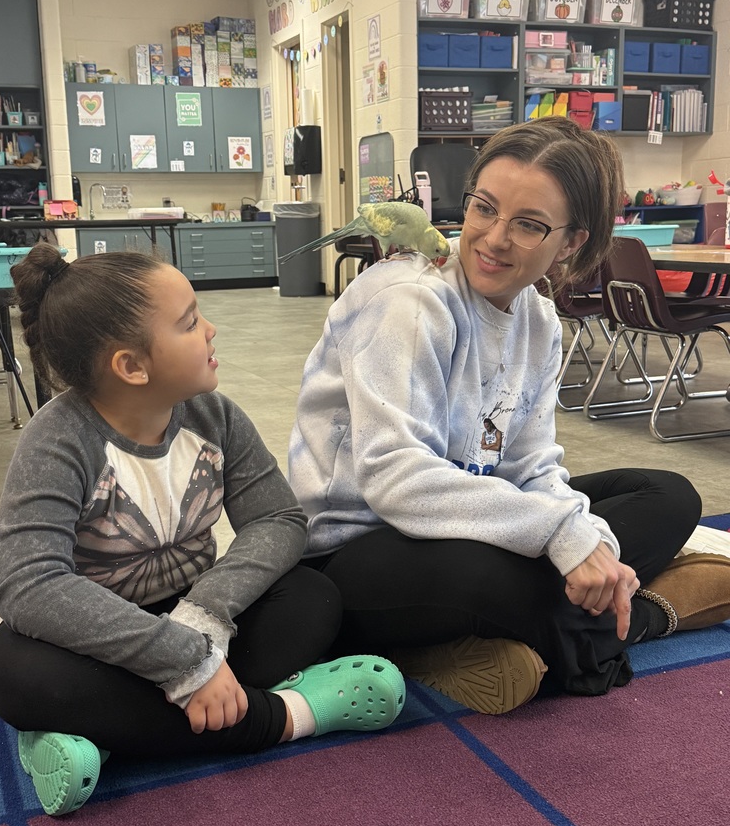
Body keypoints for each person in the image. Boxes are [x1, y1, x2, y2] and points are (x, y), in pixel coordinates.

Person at [287, 116, 729, 716]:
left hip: (469, 518)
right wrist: (559, 536)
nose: (494, 238)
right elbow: (395, 479)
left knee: (669, 494)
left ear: (571, 242)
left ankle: (520, 635)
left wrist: (584, 538)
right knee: (493, 570)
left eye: (528, 225)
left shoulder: (539, 322)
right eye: (484, 209)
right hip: (359, 548)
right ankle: (638, 616)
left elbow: (533, 466)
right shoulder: (409, 301)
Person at [0, 245, 405, 817]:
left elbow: (279, 521)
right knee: (14, 674)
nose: (210, 329)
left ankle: (106, 736)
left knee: (311, 597)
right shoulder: (58, 439)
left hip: (195, 615)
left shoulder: (216, 417)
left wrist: (205, 616)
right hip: (94, 637)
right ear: (132, 366)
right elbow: (26, 584)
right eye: (188, 323)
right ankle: (289, 716)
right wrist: (182, 660)